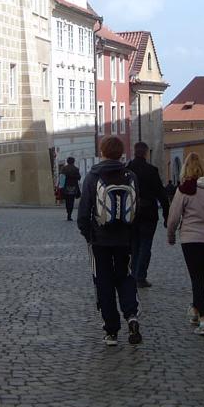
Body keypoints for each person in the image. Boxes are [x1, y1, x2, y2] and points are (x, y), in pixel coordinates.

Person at [77, 135, 142, 346]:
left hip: (100, 240)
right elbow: (137, 208)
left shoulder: (93, 176)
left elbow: (83, 212)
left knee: (103, 282)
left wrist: (88, 235)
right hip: (124, 239)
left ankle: (111, 330)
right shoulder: (130, 176)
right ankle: (131, 316)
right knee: (125, 277)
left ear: (102, 152)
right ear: (121, 153)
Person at [166, 152, 204, 336]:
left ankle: (203, 319)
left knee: (196, 278)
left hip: (190, 239)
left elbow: (173, 217)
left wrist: (171, 236)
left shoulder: (183, 190)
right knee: (200, 276)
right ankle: (196, 311)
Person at [128, 141, 169, 288]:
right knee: (145, 245)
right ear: (146, 153)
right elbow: (161, 194)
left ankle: (134, 274)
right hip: (148, 213)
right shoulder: (151, 170)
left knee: (134, 245)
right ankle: (140, 276)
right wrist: (166, 215)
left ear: (134, 152)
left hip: (131, 213)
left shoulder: (127, 170)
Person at [60, 157, 82, 221]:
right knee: (72, 201)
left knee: (67, 200)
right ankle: (69, 214)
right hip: (73, 187)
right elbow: (79, 177)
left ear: (67, 161)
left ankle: (68, 212)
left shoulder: (64, 168)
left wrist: (61, 186)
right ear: (73, 161)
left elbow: (62, 178)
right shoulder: (76, 169)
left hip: (66, 187)